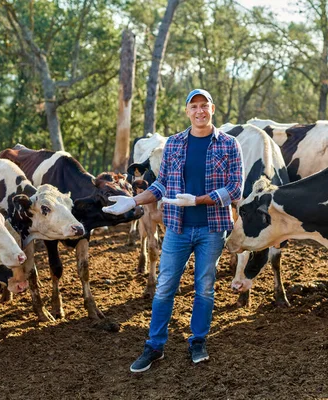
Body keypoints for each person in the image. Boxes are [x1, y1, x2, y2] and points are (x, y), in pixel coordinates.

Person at [103, 89, 243, 372]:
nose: (200, 111)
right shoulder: (175, 144)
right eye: (194, 106)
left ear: (212, 109)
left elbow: (235, 188)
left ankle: (198, 341)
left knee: (204, 288)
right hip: (178, 228)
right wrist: (133, 200)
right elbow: (162, 185)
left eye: (205, 106)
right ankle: (155, 346)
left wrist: (201, 200)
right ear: (187, 111)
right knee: (165, 286)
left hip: (212, 228)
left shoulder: (229, 144)